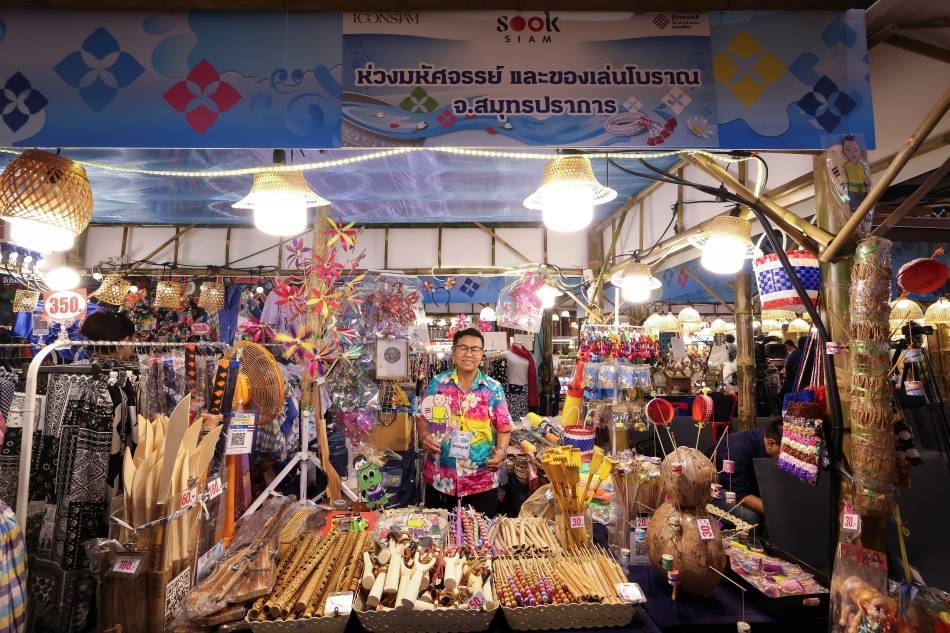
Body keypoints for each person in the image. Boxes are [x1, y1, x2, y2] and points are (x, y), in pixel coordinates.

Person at [415, 328, 512, 515]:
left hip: (481, 480)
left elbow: (504, 427)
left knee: (480, 532)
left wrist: (500, 452)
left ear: (482, 354)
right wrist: (424, 435)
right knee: (440, 531)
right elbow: (421, 417)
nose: (469, 354)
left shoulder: (493, 388)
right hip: (441, 478)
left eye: (475, 349)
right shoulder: (438, 383)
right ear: (453, 352)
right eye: (463, 348)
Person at [714, 417, 783, 529]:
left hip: (745, 489)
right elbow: (739, 495)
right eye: (784, 452)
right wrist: (776, 511)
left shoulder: (766, 443)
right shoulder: (737, 449)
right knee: (752, 519)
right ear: (771, 444)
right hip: (716, 491)